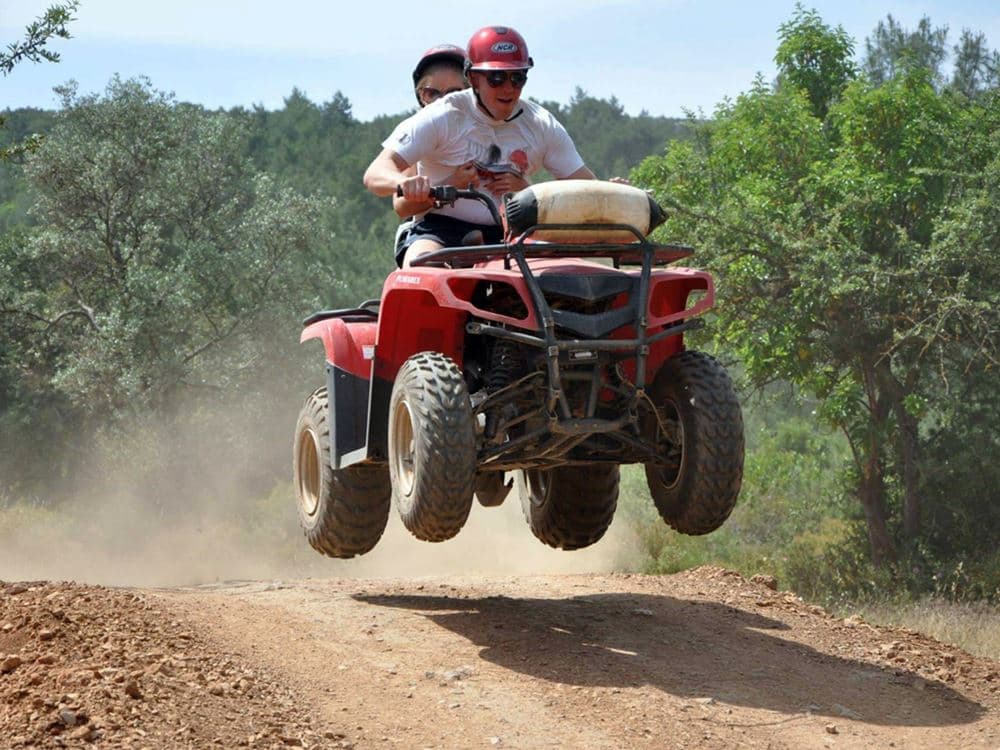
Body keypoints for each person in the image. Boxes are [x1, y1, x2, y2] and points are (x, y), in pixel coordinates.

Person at [364, 25, 598, 266]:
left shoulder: (541, 124)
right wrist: (403, 182)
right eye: (496, 78)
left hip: (513, 235)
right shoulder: (441, 116)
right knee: (424, 267)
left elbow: (586, 186)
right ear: (473, 78)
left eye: (517, 77)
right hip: (440, 231)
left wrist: (610, 192)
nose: (508, 88)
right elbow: (375, 173)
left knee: (570, 275)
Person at [393, 44, 469, 252]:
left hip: (497, 235)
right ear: (420, 96)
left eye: (454, 93)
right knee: (423, 269)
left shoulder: (491, 130)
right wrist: (453, 184)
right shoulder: (417, 135)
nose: (442, 102)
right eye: (431, 93)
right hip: (434, 233)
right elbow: (402, 207)